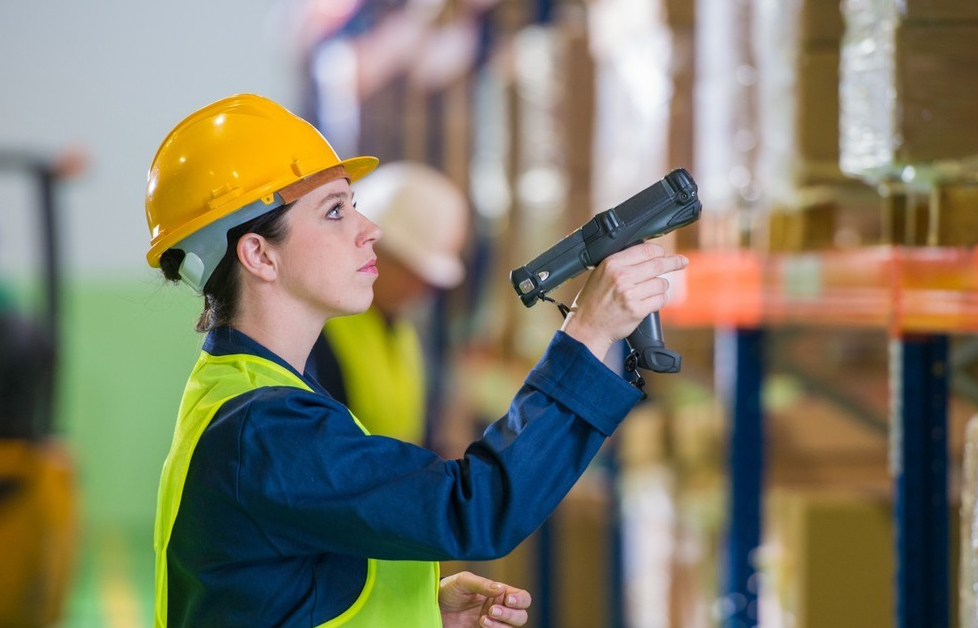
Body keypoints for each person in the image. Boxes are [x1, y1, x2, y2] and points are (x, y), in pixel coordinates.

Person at [144, 93, 686, 628]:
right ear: (259, 255)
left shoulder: (249, 396)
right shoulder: (265, 429)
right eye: (335, 211)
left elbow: (282, 593)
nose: (370, 230)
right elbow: (474, 507)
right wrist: (589, 334)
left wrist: (417, 610)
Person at [306, 161, 469, 446]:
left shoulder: (403, 330)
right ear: (372, 246)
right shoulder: (316, 333)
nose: (421, 288)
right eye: (410, 271)